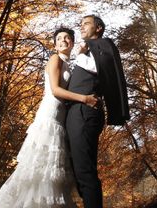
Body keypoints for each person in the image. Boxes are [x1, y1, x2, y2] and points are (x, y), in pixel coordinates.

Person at [0, 27, 98, 208]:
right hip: (50, 116)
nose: (63, 40)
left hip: (61, 119)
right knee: (40, 171)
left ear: (72, 42)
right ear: (54, 44)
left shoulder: (69, 64)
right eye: (59, 38)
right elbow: (55, 90)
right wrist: (84, 99)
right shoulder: (55, 59)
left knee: (53, 173)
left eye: (67, 38)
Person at [65, 15, 130, 208]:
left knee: (85, 172)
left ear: (99, 28)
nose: (81, 27)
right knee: (77, 170)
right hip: (76, 113)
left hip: (85, 112)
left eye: (86, 23)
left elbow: (101, 68)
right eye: (81, 24)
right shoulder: (88, 50)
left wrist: (82, 54)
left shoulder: (102, 45)